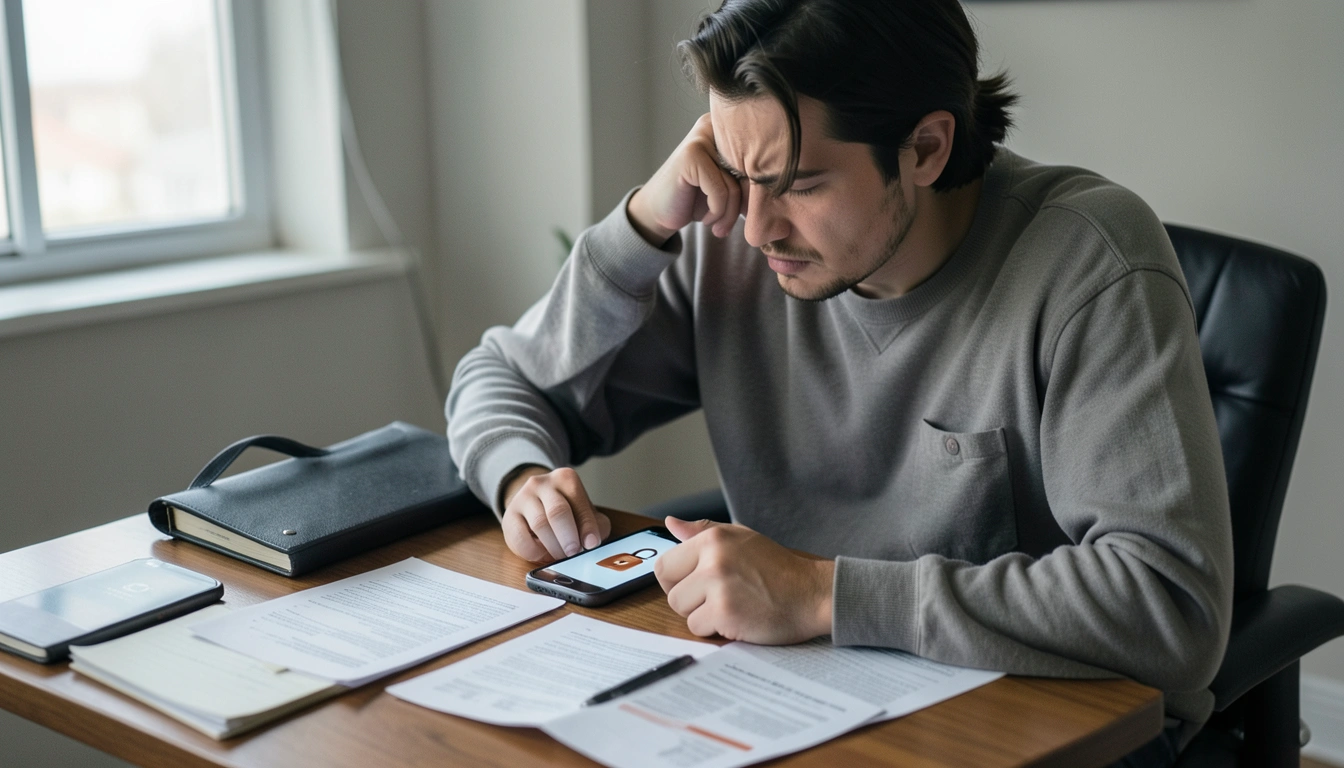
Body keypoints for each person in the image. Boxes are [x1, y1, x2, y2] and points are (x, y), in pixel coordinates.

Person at [445, 1, 1232, 763]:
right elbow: (504, 377)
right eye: (735, 167)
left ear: (925, 148)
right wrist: (643, 228)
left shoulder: (1088, 262)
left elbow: (1168, 607)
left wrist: (822, 594)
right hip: (798, 695)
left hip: (1051, 719)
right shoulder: (734, 239)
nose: (757, 227)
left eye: (798, 182)